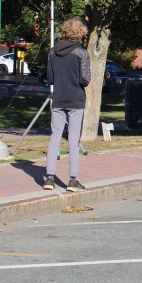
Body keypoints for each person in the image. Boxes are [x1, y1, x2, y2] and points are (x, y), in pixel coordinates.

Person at [44, 17, 92, 191]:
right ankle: (72, 179)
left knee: (55, 136)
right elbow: (85, 79)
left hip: (58, 98)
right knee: (73, 139)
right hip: (75, 99)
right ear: (80, 33)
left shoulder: (52, 52)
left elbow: (50, 78)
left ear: (64, 32)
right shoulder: (82, 53)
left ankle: (49, 178)